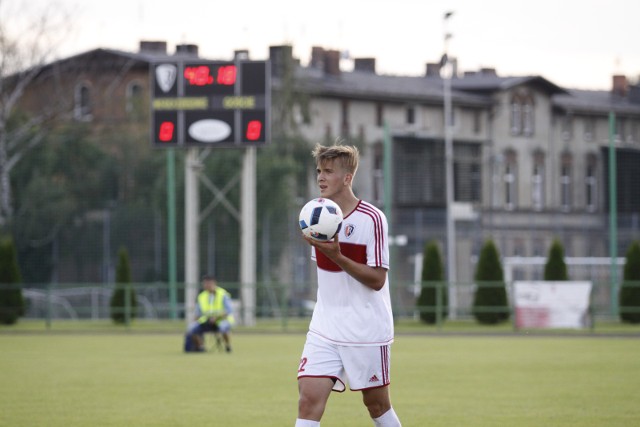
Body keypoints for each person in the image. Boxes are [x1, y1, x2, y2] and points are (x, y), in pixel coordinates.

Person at [295, 143, 402, 427]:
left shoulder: (373, 219)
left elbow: (378, 280)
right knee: (307, 401)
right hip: (325, 327)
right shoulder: (314, 215)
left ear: (347, 178)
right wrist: (334, 257)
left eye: (328, 171)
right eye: (319, 170)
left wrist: (338, 256)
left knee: (377, 405)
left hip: (366, 330)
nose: (320, 177)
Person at [184, 275, 234, 353]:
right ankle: (201, 347)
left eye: (209, 283)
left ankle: (228, 346)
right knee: (191, 328)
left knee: (223, 327)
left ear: (214, 283)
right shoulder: (202, 296)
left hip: (221, 320)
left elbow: (229, 310)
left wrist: (216, 317)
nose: (207, 286)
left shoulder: (223, 294)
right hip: (206, 321)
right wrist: (195, 321)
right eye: (205, 284)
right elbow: (198, 313)